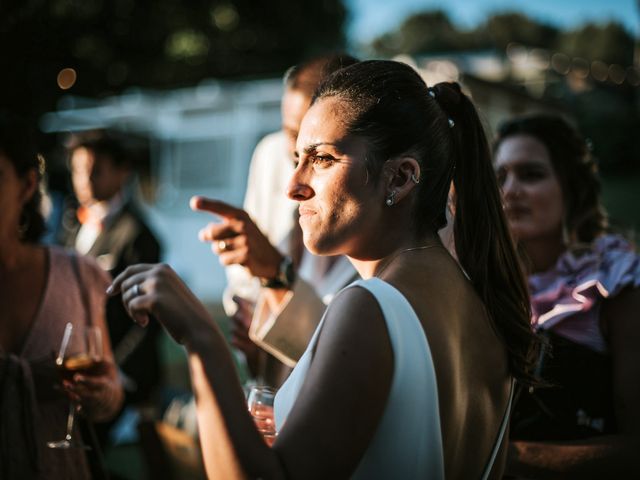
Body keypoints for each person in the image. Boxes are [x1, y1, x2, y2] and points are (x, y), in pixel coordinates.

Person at [109, 60, 538, 479]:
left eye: (323, 158)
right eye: (296, 156)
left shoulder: (371, 307)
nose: (293, 185)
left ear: (401, 178)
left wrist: (202, 339)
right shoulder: (485, 308)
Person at [193, 54, 359, 386]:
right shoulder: (270, 155)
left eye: (318, 152)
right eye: (288, 133)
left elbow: (346, 354)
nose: (293, 154)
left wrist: (277, 276)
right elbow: (248, 271)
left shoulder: (364, 216)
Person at [493, 114, 640, 478]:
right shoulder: (483, 282)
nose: (510, 190)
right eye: (500, 178)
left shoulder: (617, 282)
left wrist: (500, 458)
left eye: (531, 174)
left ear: (571, 186)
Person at [0, 114, 123, 479]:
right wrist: (26, 379)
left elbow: (111, 388)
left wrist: (101, 396)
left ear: (26, 186)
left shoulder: (76, 275)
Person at [59, 133, 162, 442]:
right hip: (78, 365)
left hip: (120, 375)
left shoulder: (138, 236)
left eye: (95, 170)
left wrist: (112, 372)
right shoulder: (72, 227)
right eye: (78, 171)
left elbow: (146, 321)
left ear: (122, 171)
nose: (85, 180)